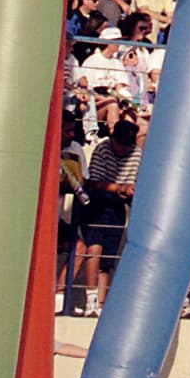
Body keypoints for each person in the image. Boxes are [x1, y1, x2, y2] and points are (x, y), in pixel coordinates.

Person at [82, 117, 141, 315]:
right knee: (94, 248)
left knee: (107, 258)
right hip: (97, 204)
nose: (123, 150)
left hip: (117, 207)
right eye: (120, 145)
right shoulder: (103, 149)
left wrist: (127, 190)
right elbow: (95, 182)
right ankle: (90, 297)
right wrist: (120, 188)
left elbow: (136, 184)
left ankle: (100, 303)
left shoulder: (136, 154)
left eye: (127, 146)